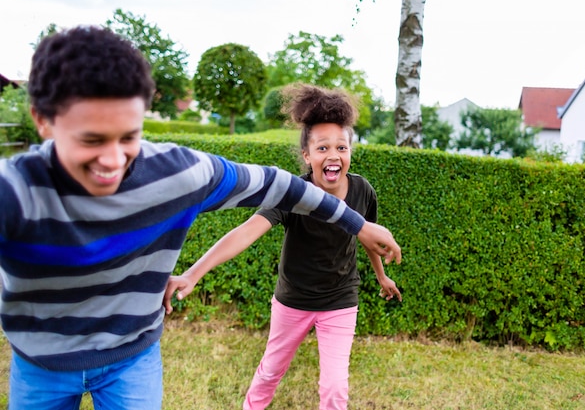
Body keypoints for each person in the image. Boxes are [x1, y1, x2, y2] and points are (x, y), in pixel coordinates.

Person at [0, 27, 401, 410]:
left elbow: (279, 185)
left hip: (130, 360)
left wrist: (359, 225)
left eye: (128, 136)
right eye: (89, 139)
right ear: (43, 119)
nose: (111, 161)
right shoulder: (13, 194)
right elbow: (258, 220)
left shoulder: (176, 173)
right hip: (42, 366)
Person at [164, 83, 403, 410]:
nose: (333, 155)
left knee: (334, 389)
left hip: (340, 300)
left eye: (341, 148)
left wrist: (381, 277)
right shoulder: (293, 195)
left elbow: (370, 240)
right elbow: (245, 232)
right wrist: (192, 274)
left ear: (350, 151)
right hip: (293, 300)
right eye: (322, 148)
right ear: (306, 156)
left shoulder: (363, 191)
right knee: (270, 373)